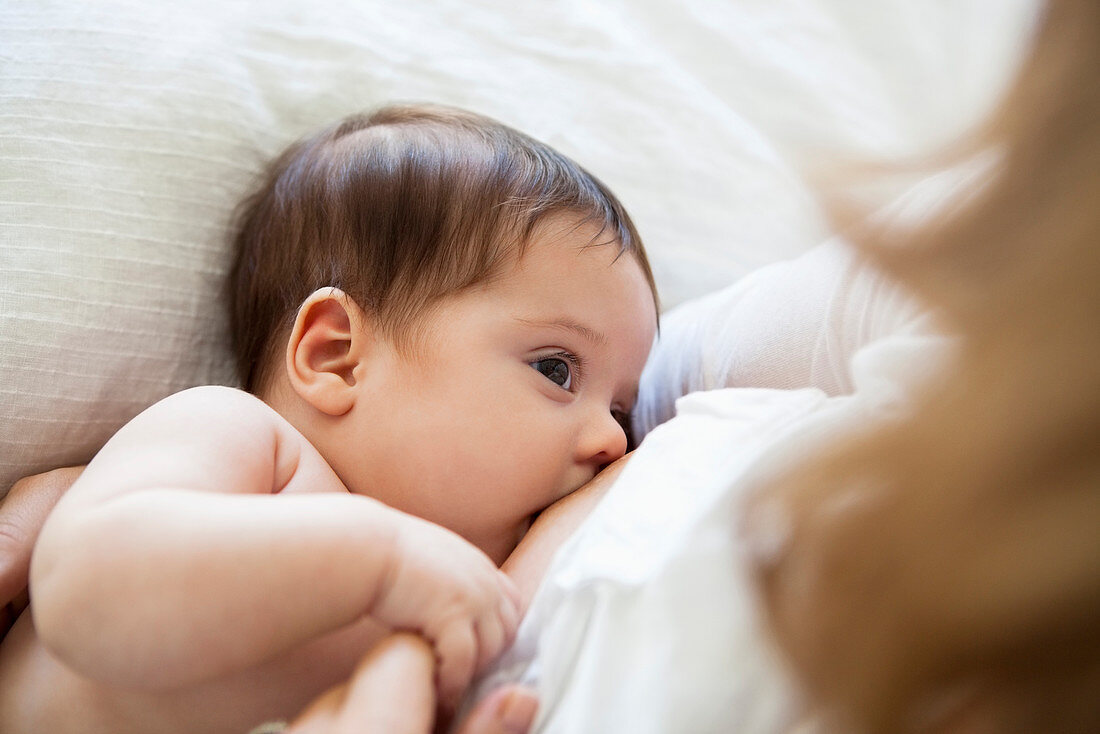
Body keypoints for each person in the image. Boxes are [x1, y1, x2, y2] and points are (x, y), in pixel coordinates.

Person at [0, 104, 659, 734]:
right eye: (555, 369)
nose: (611, 441)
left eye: (623, 412)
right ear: (336, 357)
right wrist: (381, 559)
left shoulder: (451, 619)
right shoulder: (245, 443)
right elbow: (86, 591)